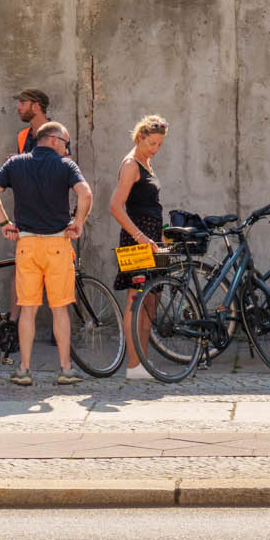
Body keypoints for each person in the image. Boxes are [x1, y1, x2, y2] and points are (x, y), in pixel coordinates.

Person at [0, 120, 92, 386]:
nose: (67, 151)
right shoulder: (66, 166)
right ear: (54, 140)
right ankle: (65, 370)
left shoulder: (16, 163)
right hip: (57, 244)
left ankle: (23, 370)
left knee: (28, 310)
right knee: (60, 310)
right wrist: (78, 222)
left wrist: (4, 223)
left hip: (27, 244)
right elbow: (85, 193)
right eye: (66, 144)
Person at [107, 115, 167, 381]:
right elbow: (115, 206)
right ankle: (133, 365)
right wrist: (141, 236)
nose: (155, 148)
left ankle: (142, 362)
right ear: (140, 137)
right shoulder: (131, 165)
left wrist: (160, 237)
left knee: (151, 301)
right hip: (137, 239)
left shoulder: (147, 163)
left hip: (152, 238)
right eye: (152, 143)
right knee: (136, 300)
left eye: (159, 145)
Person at [13, 89, 50, 156]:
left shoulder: (57, 133)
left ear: (36, 106)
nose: (18, 108)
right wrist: (16, 161)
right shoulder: (22, 135)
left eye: (23, 103)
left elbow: (63, 164)